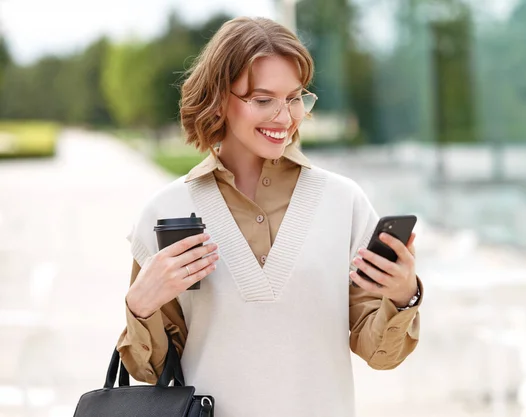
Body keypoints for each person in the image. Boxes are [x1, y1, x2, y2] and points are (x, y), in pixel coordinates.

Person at [117, 16, 423, 417]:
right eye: (263, 100)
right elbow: (151, 369)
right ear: (218, 97)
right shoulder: (167, 211)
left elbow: (381, 354)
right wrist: (140, 306)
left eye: (295, 98)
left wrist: (404, 296)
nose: (285, 117)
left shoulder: (344, 203)